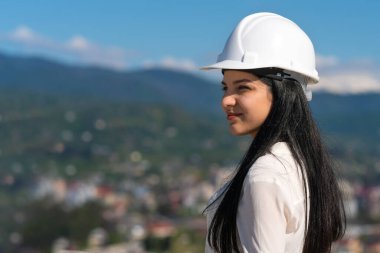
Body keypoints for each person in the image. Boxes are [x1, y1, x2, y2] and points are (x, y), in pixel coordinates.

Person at [201, 12, 346, 253]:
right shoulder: (299, 164)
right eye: (225, 87)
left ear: (282, 92)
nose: (226, 100)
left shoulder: (264, 175)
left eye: (243, 87)